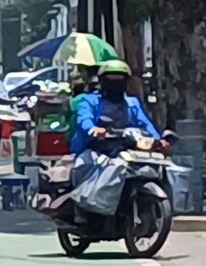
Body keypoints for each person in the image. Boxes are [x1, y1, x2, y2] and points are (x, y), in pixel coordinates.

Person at [66, 57, 166, 217]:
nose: (115, 85)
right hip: (94, 147)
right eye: (110, 81)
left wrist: (157, 140)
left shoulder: (132, 103)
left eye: (119, 81)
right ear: (102, 82)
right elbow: (83, 120)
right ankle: (82, 209)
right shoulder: (89, 100)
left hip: (126, 148)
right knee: (83, 166)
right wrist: (94, 130)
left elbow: (145, 124)